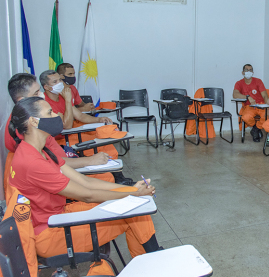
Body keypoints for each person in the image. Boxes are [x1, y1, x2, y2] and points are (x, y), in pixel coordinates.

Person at [8, 97, 160, 259]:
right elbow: (87, 194)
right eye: (50, 112)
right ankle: (153, 259)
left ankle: (151, 259)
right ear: (33, 121)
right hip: (51, 232)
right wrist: (134, 193)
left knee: (133, 208)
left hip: (58, 215)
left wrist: (131, 190)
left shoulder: (38, 150)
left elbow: (86, 181)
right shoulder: (33, 162)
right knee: (135, 212)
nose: (56, 115)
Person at [5, 73, 121, 184]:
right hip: (60, 172)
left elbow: (52, 157)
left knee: (106, 173)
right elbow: (49, 162)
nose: (41, 94)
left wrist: (99, 120)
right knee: (106, 178)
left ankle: (119, 178)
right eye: (36, 92)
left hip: (63, 162)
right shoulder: (25, 128)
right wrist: (88, 161)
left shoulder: (35, 115)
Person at [40, 70, 111, 129]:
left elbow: (80, 116)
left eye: (60, 80)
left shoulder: (62, 96)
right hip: (60, 139)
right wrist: (68, 100)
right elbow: (67, 126)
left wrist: (99, 119)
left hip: (71, 133)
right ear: (46, 87)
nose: (60, 83)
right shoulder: (44, 103)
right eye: (55, 82)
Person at [232, 64, 269, 142]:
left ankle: (256, 130)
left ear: (253, 72)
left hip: (261, 105)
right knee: (245, 117)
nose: (248, 72)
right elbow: (235, 94)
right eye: (246, 70)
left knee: (267, 115)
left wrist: (267, 106)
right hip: (249, 106)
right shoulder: (239, 83)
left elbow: (265, 95)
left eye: (250, 70)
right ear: (243, 72)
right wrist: (247, 97)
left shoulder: (258, 81)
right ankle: (255, 128)